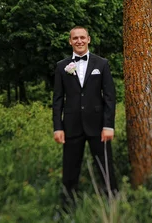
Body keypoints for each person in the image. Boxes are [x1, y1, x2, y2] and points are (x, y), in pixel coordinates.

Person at [52, 26, 118, 208]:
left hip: (98, 126)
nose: (79, 41)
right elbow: (57, 100)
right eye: (75, 38)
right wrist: (58, 127)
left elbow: (110, 97)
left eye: (82, 37)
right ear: (70, 41)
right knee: (70, 170)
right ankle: (67, 207)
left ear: (88, 39)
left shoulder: (101, 64)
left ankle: (113, 203)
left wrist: (108, 125)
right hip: (71, 126)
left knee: (105, 166)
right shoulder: (61, 66)